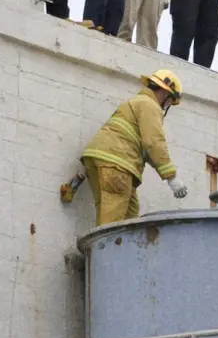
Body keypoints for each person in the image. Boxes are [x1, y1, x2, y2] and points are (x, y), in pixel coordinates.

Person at [80, 70, 189, 226]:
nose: (168, 105)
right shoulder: (150, 105)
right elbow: (153, 142)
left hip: (100, 159)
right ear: (165, 93)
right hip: (117, 163)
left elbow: (146, 149)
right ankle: (108, 249)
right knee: (112, 224)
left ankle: (118, 249)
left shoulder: (136, 102)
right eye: (171, 101)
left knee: (128, 215)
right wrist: (172, 178)